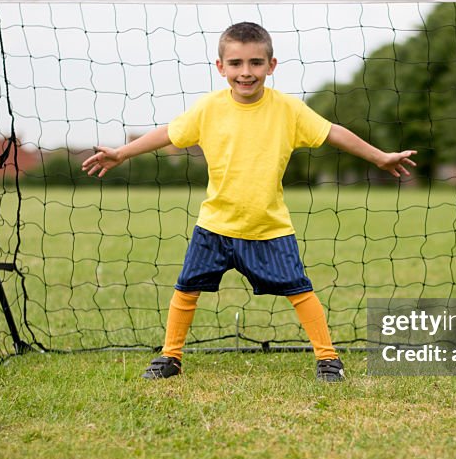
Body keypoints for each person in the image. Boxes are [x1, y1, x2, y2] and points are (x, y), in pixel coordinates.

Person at [82, 22, 416, 382]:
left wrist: (380, 157)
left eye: (256, 63)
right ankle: (170, 357)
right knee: (186, 288)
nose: (246, 72)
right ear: (220, 67)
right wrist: (121, 153)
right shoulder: (208, 108)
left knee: (300, 290)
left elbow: (332, 131)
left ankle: (328, 358)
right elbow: (169, 132)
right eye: (236, 63)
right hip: (215, 226)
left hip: (269, 227)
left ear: (271, 66)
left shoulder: (288, 110)